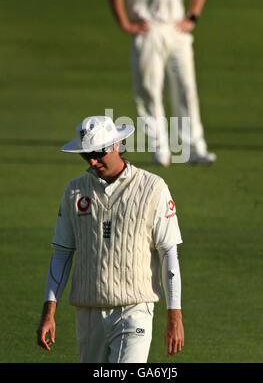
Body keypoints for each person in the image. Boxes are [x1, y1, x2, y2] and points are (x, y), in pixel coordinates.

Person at [37, 115, 184, 363]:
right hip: (88, 313)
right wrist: (48, 312)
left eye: (98, 153)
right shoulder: (74, 191)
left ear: (116, 145)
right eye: (86, 155)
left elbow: (168, 252)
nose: (93, 161)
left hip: (134, 309)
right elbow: (62, 252)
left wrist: (174, 316)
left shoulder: (153, 188)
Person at [106, 0, 216, 166]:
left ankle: (195, 148)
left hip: (177, 30)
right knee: (149, 89)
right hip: (149, 30)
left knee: (186, 88)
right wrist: (125, 24)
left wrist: (192, 17)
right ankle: (161, 149)